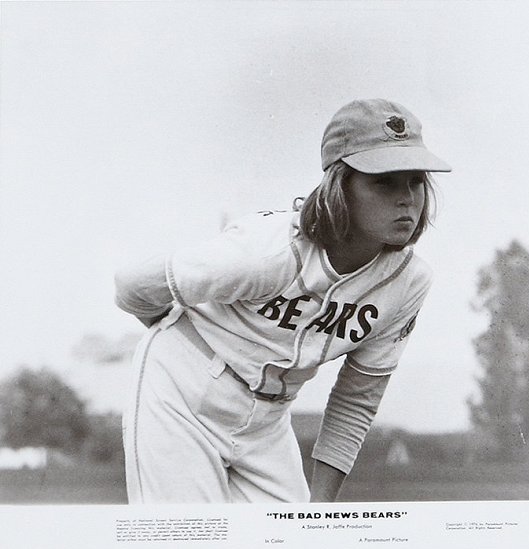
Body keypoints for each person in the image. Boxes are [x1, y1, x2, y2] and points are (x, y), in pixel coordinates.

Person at [114, 98, 451, 503]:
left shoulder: (408, 282)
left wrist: (318, 513)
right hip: (181, 394)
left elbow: (356, 400)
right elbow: (131, 286)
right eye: (384, 181)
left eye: (415, 181)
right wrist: (174, 341)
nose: (407, 199)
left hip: (268, 419)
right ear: (340, 186)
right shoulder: (268, 251)